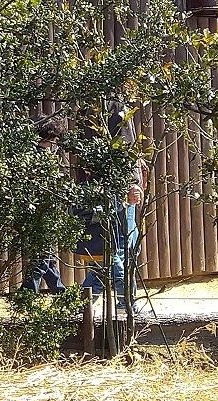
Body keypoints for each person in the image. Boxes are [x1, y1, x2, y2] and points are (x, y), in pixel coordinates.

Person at [76, 101, 145, 312]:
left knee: (106, 250)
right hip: (118, 189)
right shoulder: (114, 105)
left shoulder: (86, 106)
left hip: (94, 190)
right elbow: (127, 148)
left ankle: (85, 301)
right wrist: (133, 183)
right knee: (120, 249)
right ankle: (126, 302)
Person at [21, 114, 68, 294]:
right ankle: (27, 293)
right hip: (41, 213)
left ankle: (59, 290)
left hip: (36, 213)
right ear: (50, 138)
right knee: (42, 257)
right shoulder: (41, 159)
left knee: (46, 256)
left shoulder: (29, 155)